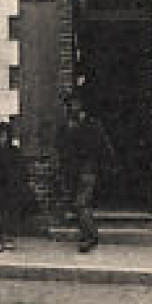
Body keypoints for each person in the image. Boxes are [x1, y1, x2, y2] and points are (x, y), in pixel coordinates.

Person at [55, 89, 115, 252]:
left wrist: (102, 166)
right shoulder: (65, 126)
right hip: (72, 171)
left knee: (82, 204)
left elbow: (104, 147)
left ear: (81, 106)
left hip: (88, 170)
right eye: (69, 105)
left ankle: (90, 237)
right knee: (78, 205)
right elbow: (60, 147)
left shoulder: (92, 125)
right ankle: (86, 235)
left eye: (74, 104)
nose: (71, 108)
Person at [0, 121, 33, 252]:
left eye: (6, 136)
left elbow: (21, 169)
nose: (3, 139)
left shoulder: (14, 151)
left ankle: (8, 238)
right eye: (1, 136)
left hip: (9, 187)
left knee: (8, 213)